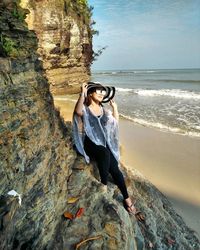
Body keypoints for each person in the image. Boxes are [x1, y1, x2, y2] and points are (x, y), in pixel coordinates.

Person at [72, 82, 136, 214]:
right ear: (90, 93)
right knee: (104, 152)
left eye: (103, 92)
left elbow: (114, 123)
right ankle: (104, 186)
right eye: (98, 91)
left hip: (103, 143)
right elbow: (77, 112)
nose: (102, 93)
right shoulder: (85, 108)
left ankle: (127, 199)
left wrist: (115, 108)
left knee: (116, 170)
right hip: (90, 143)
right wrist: (82, 94)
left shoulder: (104, 111)